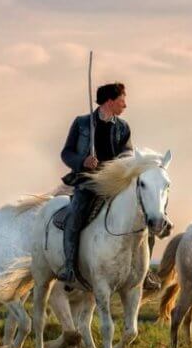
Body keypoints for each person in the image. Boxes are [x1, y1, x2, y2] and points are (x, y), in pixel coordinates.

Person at [57, 82, 160, 290]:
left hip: (115, 185)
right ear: (110, 101)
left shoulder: (123, 128)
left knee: (146, 218)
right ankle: (69, 268)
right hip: (88, 183)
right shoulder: (82, 124)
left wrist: (118, 166)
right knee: (75, 216)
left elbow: (128, 156)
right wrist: (82, 162)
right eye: (122, 99)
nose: (125, 105)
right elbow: (66, 153)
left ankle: (145, 272)